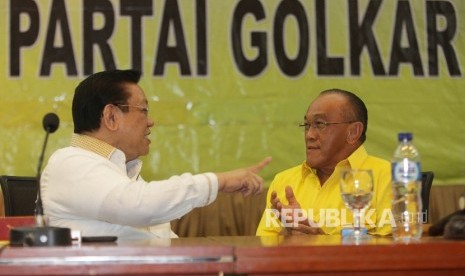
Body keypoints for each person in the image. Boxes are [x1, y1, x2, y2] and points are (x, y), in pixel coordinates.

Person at [41, 69, 272, 240]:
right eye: (143, 111)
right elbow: (138, 206)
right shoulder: (70, 163)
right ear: (111, 117)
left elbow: (164, 240)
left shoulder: (124, 172)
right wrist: (217, 181)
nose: (151, 121)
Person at [256, 88, 392, 236]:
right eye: (307, 125)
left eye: (320, 124)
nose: (309, 135)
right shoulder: (284, 181)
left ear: (353, 132)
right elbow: (264, 248)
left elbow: (398, 250)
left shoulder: (388, 177)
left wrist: (322, 240)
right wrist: (286, 234)